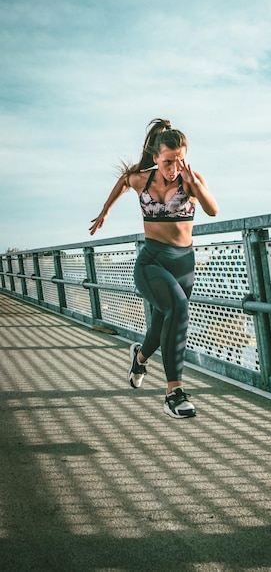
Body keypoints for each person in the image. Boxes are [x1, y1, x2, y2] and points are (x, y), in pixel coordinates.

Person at [89, 119, 218, 418]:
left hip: (183, 264)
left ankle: (140, 356)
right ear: (157, 157)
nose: (174, 167)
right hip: (152, 261)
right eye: (168, 161)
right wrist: (105, 211)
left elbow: (213, 210)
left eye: (180, 160)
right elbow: (123, 180)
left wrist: (195, 183)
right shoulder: (142, 179)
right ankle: (174, 392)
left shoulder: (191, 180)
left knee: (161, 327)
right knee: (179, 309)